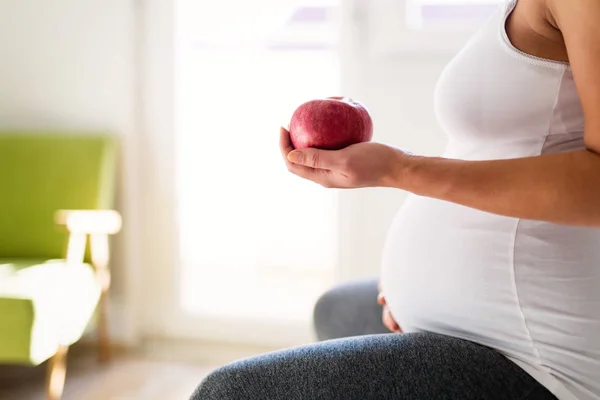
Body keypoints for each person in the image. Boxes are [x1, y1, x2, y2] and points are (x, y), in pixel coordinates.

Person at [191, 0, 600, 398]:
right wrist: (419, 278)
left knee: (227, 392)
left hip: (539, 357)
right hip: (477, 316)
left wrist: (397, 169)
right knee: (336, 310)